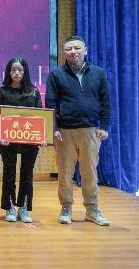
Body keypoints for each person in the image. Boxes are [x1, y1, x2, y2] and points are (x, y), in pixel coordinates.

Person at [45, 36, 111, 226]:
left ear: (85, 50)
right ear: (63, 52)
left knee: (90, 173)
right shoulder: (56, 74)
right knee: (65, 174)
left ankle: (92, 210)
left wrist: (104, 126)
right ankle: (66, 208)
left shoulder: (98, 73)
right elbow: (51, 103)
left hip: (91, 130)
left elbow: (105, 102)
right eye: (68, 49)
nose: (73, 52)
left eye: (77, 48)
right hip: (65, 132)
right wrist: (54, 128)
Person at [0, 57, 43, 223]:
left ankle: (24, 207)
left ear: (25, 71)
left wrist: (42, 136)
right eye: (13, 70)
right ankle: (9, 207)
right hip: (8, 141)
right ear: (8, 72)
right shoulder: (1, 90)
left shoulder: (34, 91)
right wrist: (1, 136)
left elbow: (40, 115)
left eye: (20, 70)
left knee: (27, 174)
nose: (16, 73)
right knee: (9, 173)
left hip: (29, 140)